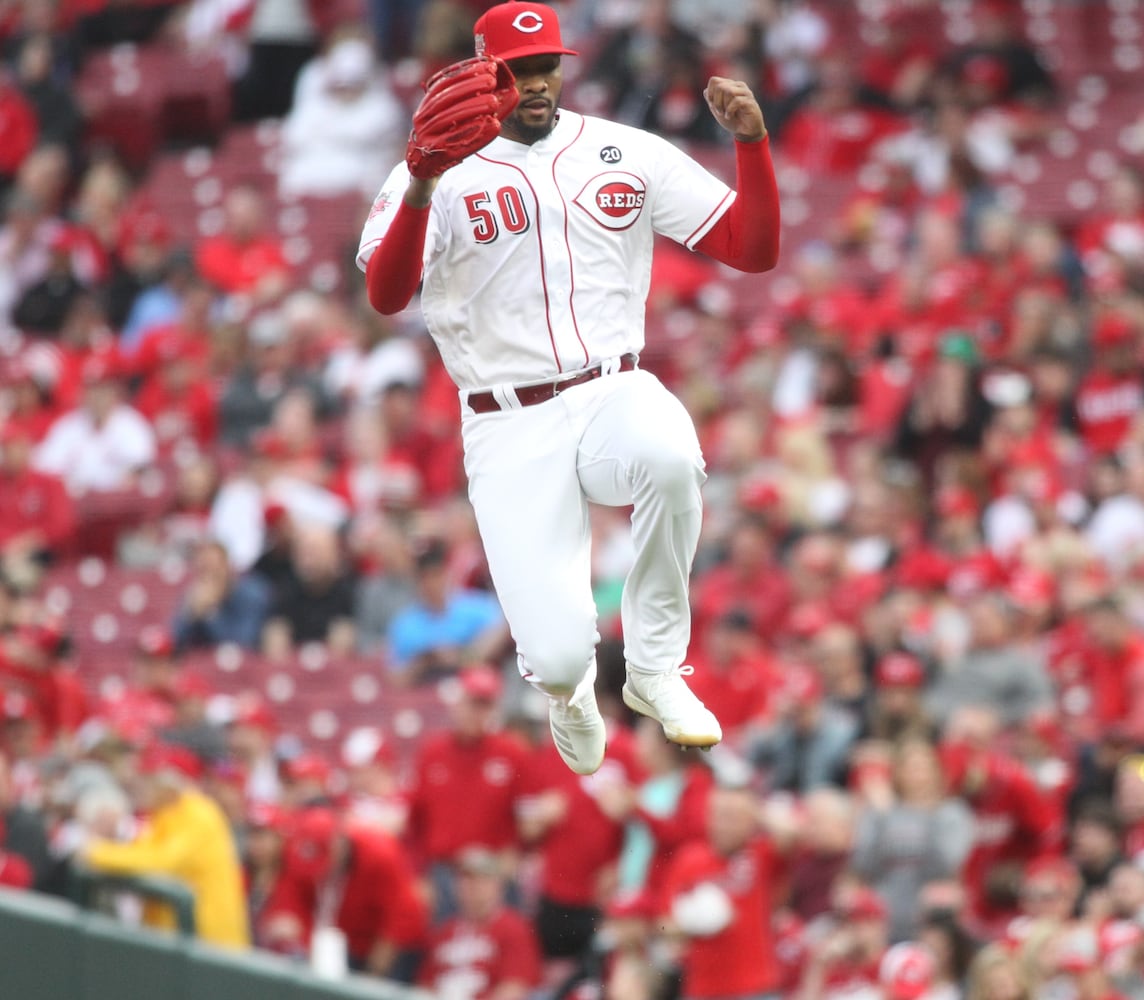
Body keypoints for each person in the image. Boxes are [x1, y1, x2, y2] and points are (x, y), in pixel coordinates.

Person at [358, 0, 778, 775]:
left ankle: (654, 669)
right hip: (507, 418)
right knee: (552, 657)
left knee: (672, 458)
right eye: (518, 73)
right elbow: (386, 295)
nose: (538, 84)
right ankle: (571, 692)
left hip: (612, 387)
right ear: (487, 76)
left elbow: (750, 250)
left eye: (547, 66)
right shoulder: (438, 172)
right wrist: (420, 180)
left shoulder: (622, 149)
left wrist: (751, 145)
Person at [81, 743, 251, 950]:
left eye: (148, 780)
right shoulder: (161, 815)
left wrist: (96, 853)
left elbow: (162, 861)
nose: (139, 785)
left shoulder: (198, 813)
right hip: (174, 942)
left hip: (213, 947)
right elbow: (141, 852)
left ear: (169, 785)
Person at [417, 846, 543, 1000]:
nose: (471, 886)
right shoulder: (444, 931)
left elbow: (513, 989)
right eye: (465, 879)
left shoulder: (514, 928)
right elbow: (424, 986)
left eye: (481, 880)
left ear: (497, 886)